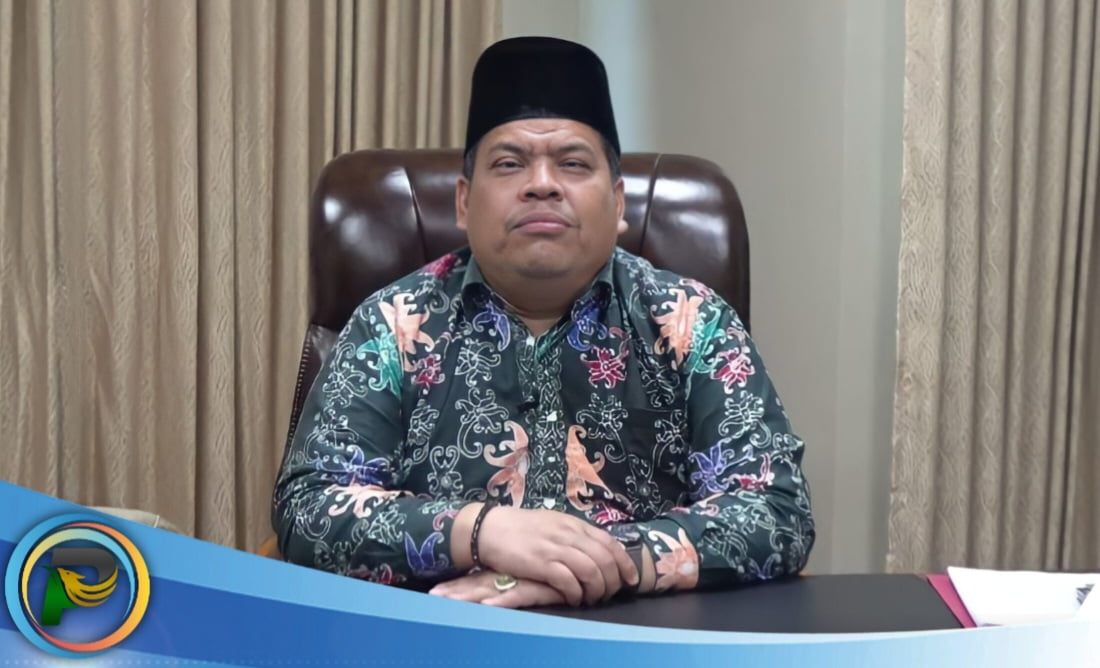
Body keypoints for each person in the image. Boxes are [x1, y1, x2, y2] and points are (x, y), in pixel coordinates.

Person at [273, 36, 814, 609]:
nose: (542, 183)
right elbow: (308, 508)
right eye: (509, 164)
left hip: (638, 634)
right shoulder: (394, 324)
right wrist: (480, 532)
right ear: (464, 202)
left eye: (573, 163)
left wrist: (595, 564)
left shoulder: (690, 322)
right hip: (444, 630)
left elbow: (777, 509)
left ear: (619, 202)